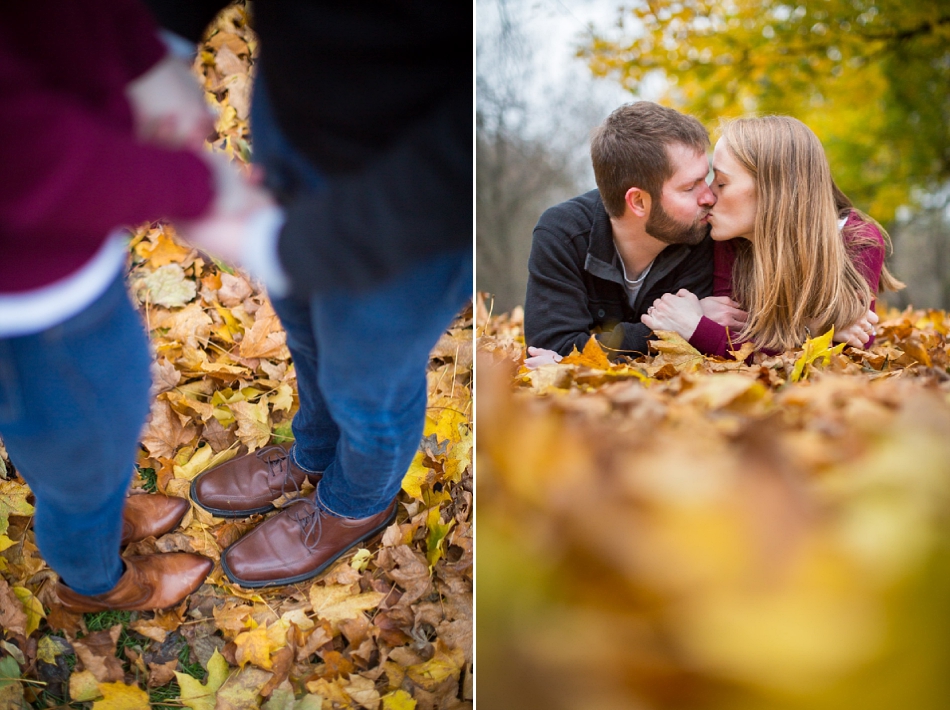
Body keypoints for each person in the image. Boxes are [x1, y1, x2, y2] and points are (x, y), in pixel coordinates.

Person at [143, 2, 472, 588]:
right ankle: (314, 456)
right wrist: (162, 38)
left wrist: (286, 246)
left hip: (417, 205)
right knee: (306, 331)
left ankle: (355, 504)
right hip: (296, 117)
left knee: (369, 380)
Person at [0, 2, 272, 612]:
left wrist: (141, 60)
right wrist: (195, 188)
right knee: (80, 458)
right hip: (27, 302)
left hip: (55, 268)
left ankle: (97, 510)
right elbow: (21, 152)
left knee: (72, 445)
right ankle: (98, 585)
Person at [641, 115, 903, 356]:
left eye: (721, 183)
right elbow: (736, 342)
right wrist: (818, 329)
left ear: (774, 191)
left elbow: (851, 350)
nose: (708, 196)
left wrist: (694, 328)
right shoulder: (731, 240)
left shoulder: (857, 239)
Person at [522, 102, 717, 368]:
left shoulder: (703, 232)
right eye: (690, 187)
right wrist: (673, 329)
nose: (709, 196)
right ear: (637, 201)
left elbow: (699, 351)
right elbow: (550, 348)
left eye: (705, 178)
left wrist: (583, 355)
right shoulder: (562, 233)